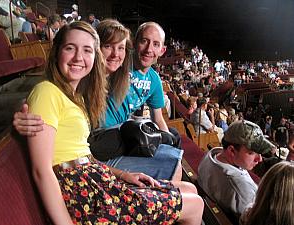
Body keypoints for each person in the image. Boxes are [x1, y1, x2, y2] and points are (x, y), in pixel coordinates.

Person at [26, 21, 203, 225]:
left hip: (96, 178)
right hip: (84, 192)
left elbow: (83, 154)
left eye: (86, 50)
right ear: (56, 51)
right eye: (70, 48)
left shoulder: (77, 95)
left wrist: (123, 175)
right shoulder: (47, 92)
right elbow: (42, 170)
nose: (78, 57)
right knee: (195, 203)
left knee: (189, 188)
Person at [13, 20, 183, 181]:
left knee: (171, 139)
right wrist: (21, 109)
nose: (116, 54)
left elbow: (158, 118)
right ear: (96, 49)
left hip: (105, 142)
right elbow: (48, 90)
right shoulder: (83, 74)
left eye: (121, 48)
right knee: (166, 156)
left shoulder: (122, 73)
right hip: (96, 143)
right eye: (108, 46)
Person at [198, 120, 275, 222]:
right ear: (232, 151)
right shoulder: (242, 191)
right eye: (252, 153)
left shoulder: (211, 155)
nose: (259, 159)